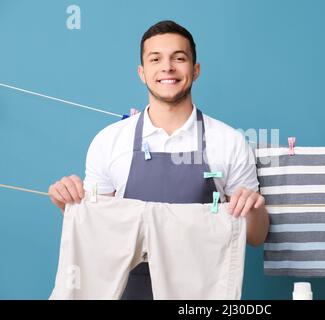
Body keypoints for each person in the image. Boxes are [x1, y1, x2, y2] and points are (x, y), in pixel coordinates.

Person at [48, 20, 269, 300]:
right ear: (142, 72)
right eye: (156, 59)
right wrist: (69, 205)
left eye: (179, 58)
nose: (167, 67)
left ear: (195, 70)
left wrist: (252, 208)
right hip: (127, 291)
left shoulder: (229, 141)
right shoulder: (110, 140)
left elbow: (256, 235)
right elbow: (97, 226)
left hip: (200, 293)